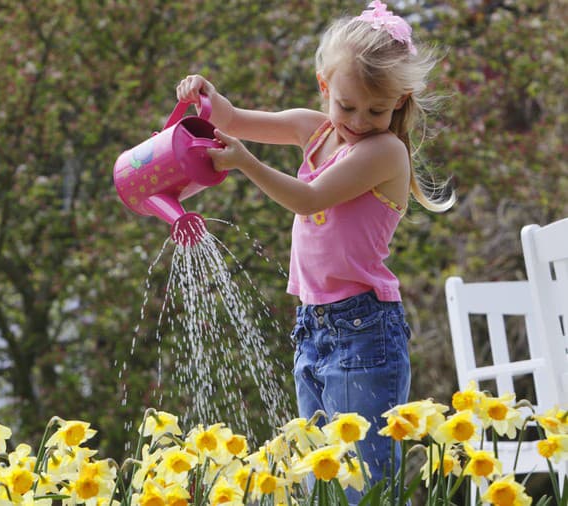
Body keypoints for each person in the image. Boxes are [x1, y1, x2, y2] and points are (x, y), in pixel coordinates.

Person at [176, 0, 454, 500]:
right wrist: (207, 98)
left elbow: (307, 198)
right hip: (313, 326)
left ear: (399, 101)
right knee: (322, 477)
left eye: (377, 110)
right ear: (326, 87)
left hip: (365, 332)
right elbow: (236, 120)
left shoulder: (384, 151)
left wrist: (245, 165)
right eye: (347, 105)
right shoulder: (316, 129)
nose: (359, 120)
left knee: (362, 484)